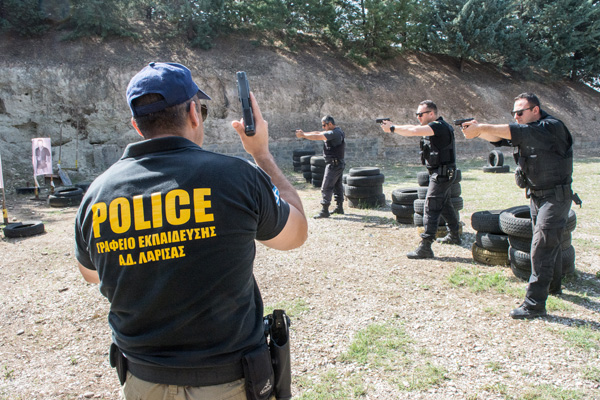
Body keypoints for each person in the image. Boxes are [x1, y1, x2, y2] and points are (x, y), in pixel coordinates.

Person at [74, 62, 308, 399]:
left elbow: (90, 274)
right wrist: (262, 154)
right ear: (193, 113)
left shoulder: (96, 195)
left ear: (137, 126)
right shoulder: (236, 177)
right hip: (229, 383)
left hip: (142, 382)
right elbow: (296, 233)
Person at [460, 92, 577, 320]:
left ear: (535, 110)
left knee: (541, 247)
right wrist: (478, 132)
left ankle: (534, 304)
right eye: (514, 113)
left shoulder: (551, 127)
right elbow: (503, 139)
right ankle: (553, 287)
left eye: (520, 112)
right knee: (546, 243)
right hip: (536, 196)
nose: (516, 116)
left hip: (556, 196)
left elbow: (518, 132)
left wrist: (481, 126)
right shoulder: (528, 129)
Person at [380, 100, 461, 259]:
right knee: (444, 204)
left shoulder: (438, 126)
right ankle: (454, 235)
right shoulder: (437, 126)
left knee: (430, 207)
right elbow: (413, 128)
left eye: (420, 114)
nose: (418, 117)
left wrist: (393, 128)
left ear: (431, 114)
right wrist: (393, 126)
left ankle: (425, 246)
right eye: (417, 114)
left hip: (442, 174)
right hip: (442, 173)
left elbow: (413, 131)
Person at [295, 116, 346, 218]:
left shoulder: (334, 133)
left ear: (330, 124)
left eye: (324, 125)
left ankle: (325, 210)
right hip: (337, 163)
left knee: (326, 187)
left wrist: (303, 135)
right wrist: (304, 133)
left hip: (334, 164)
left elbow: (319, 137)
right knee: (337, 186)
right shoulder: (336, 131)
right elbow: (318, 133)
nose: (323, 127)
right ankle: (339, 208)